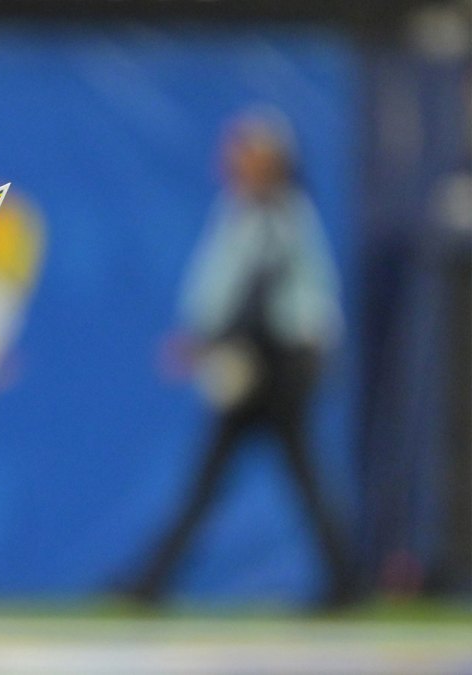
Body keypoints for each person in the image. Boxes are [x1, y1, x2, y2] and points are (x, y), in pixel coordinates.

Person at [134, 108, 354, 608]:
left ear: (271, 161)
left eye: (246, 153)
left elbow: (256, 294)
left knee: (290, 474)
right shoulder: (243, 210)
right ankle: (153, 580)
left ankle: (345, 582)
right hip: (258, 359)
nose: (234, 160)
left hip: (278, 363)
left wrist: (206, 341)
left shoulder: (280, 214)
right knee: (218, 477)